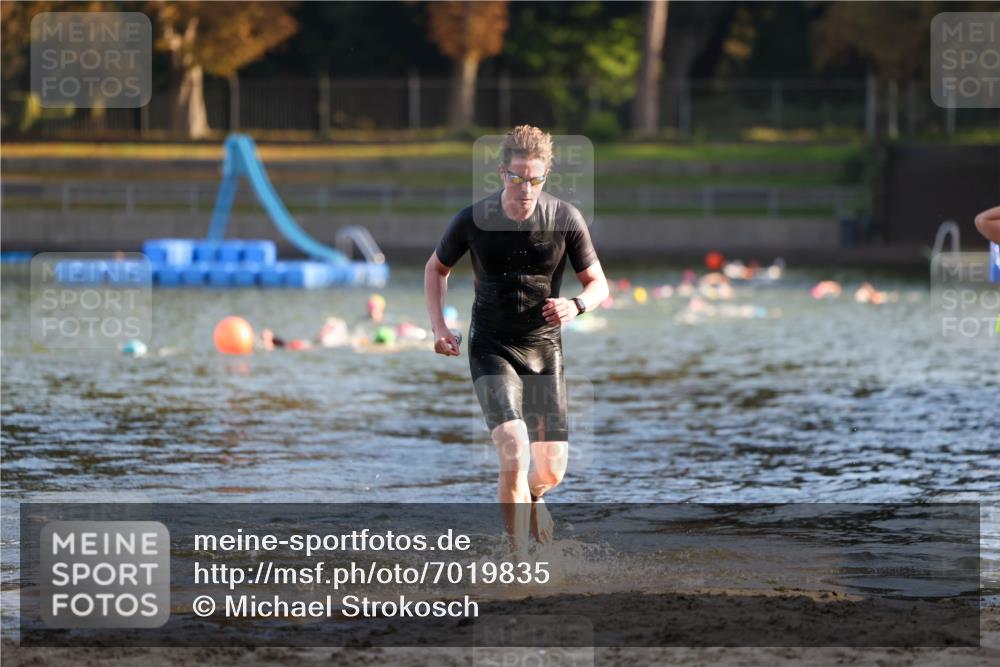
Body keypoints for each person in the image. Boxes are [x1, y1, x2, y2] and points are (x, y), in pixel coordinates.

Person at [424, 125, 609, 559]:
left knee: (550, 470)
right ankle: (518, 559)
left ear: (547, 176)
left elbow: (599, 283)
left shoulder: (565, 218)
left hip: (544, 349)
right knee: (513, 444)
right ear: (501, 172)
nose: (526, 188)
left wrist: (577, 306)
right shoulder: (473, 219)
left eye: (536, 179)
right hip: (491, 345)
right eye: (517, 178)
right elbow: (436, 269)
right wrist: (438, 327)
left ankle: (533, 497)